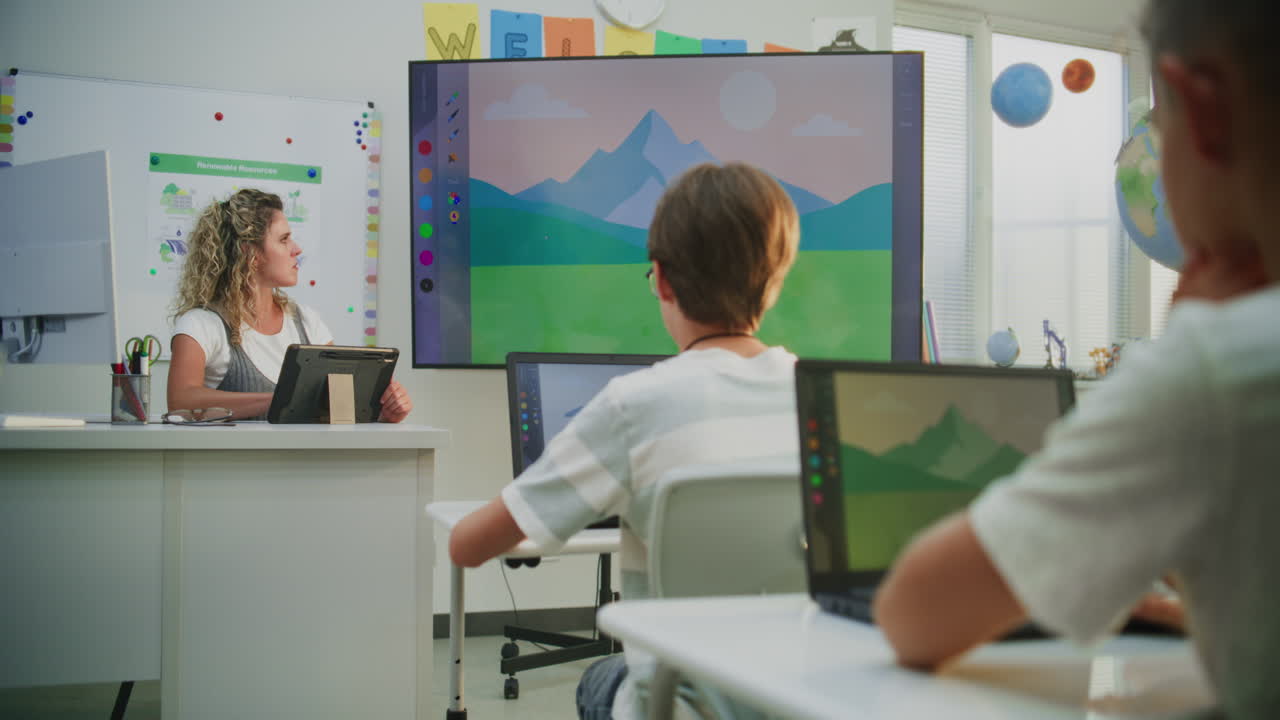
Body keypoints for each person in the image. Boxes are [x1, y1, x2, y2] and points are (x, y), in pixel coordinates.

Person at [872, 1, 1279, 716]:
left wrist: (1189, 348)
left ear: (1198, 107)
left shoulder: (1216, 367)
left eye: (1158, 125)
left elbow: (914, 614)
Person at [448, 162, 801, 720]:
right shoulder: (824, 402)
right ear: (776, 279)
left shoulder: (633, 406)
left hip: (681, 705)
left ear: (660, 279)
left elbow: (467, 547)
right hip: (797, 698)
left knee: (602, 676)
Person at [168, 188, 412, 422]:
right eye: (284, 240)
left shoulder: (308, 323)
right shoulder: (200, 324)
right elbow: (181, 400)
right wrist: (280, 400)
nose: (296, 249)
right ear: (250, 253)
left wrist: (383, 414)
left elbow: (340, 404)